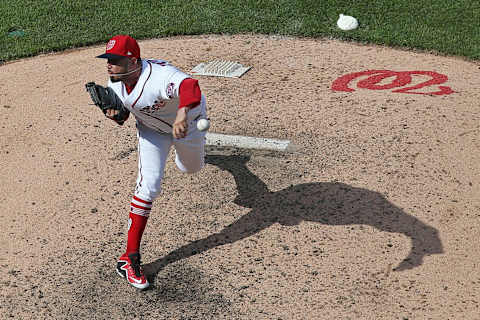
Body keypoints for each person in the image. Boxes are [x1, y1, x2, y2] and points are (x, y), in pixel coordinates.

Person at [95, 34, 208, 289]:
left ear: (133, 61)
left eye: (115, 60)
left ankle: (189, 154)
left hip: (187, 124)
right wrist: (115, 115)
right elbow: (124, 115)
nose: (109, 64)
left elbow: (190, 86)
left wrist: (181, 115)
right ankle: (129, 259)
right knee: (149, 187)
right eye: (107, 59)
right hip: (152, 131)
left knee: (191, 167)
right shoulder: (114, 84)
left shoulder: (159, 76)